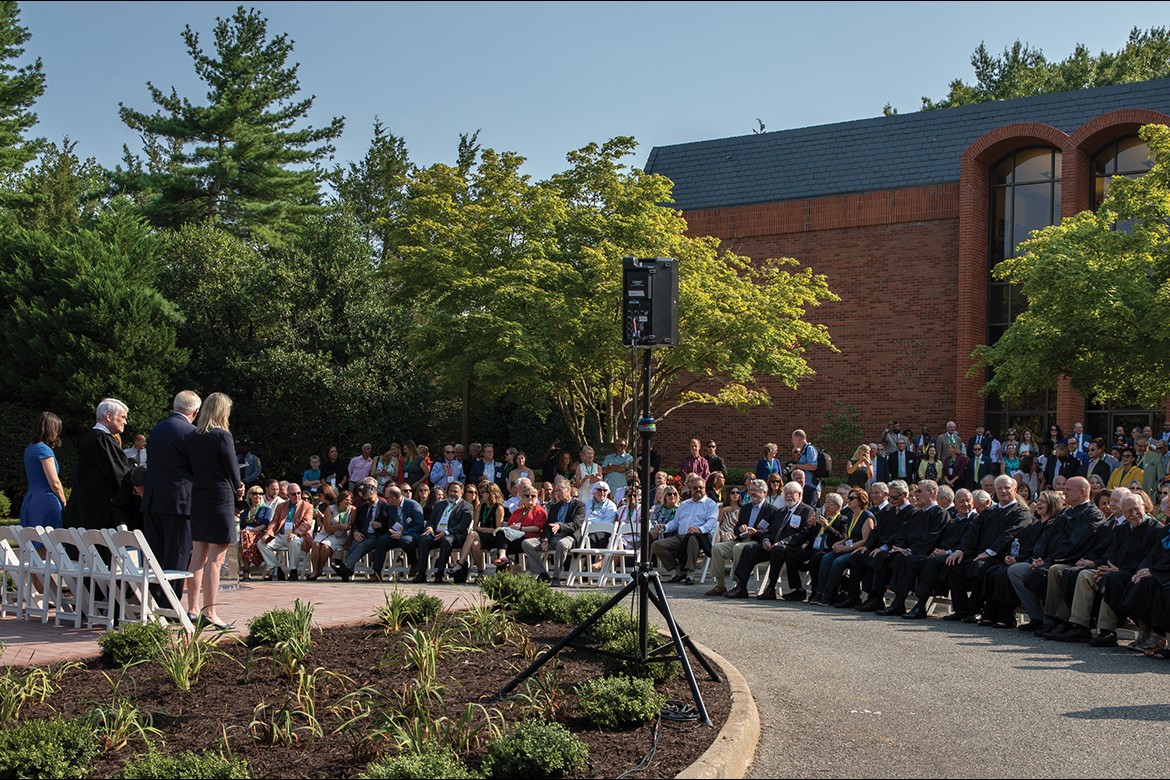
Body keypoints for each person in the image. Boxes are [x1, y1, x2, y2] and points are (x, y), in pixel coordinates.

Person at [186, 392, 243, 630]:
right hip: (220, 497)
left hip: (198, 496)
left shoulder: (192, 436)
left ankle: (191, 608)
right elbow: (232, 468)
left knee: (197, 555)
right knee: (216, 560)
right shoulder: (222, 435)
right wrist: (239, 488)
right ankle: (210, 612)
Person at [140, 391, 201, 599]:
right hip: (180, 501)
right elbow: (196, 468)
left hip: (153, 498)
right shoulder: (191, 433)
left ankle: (154, 599)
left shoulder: (157, 430)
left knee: (155, 553)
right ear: (195, 411)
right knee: (178, 554)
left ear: (174, 407)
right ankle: (169, 603)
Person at [68, 397, 133, 532]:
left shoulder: (91, 437)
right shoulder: (102, 439)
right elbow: (120, 475)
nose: (125, 422)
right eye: (123, 417)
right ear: (108, 416)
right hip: (102, 511)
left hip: (88, 508)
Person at [705, 479, 776, 596]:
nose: (751, 493)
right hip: (743, 539)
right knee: (717, 548)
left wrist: (756, 532)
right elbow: (736, 528)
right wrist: (741, 529)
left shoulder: (771, 510)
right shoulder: (746, 508)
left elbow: (772, 531)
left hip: (757, 542)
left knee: (738, 548)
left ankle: (739, 585)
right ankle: (720, 585)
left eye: (755, 490)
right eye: (750, 490)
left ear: (764, 492)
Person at [649, 472, 720, 585]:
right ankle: (678, 570)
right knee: (656, 545)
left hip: (700, 537)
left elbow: (712, 522)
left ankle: (690, 573)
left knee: (692, 538)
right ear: (690, 489)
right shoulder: (684, 504)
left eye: (700, 487)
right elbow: (676, 522)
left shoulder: (710, 504)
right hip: (681, 537)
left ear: (705, 488)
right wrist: (665, 527)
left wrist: (699, 529)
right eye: (695, 488)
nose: (698, 490)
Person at [524, 478, 585, 585]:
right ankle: (542, 573)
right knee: (527, 543)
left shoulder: (579, 506)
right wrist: (546, 539)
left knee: (562, 544)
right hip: (552, 536)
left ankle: (556, 577)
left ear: (568, 490)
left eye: (559, 491)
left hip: (568, 536)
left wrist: (560, 526)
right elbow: (548, 525)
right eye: (556, 491)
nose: (557, 494)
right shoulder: (554, 506)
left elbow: (575, 525)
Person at [415, 481, 473, 583]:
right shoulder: (440, 504)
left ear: (462, 492)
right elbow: (431, 520)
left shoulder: (466, 506)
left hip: (454, 536)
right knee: (424, 539)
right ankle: (421, 573)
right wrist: (430, 528)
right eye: (450, 490)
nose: (452, 493)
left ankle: (440, 573)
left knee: (446, 540)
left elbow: (462, 526)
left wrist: (446, 532)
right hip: (436, 533)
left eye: (455, 491)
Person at [21, 412, 67, 529]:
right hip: (46, 500)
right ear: (51, 430)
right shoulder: (44, 450)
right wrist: (63, 501)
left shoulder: (30, 448)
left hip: (31, 499)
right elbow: (54, 482)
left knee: (33, 542)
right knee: (51, 542)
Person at [259, 483, 314, 581]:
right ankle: (277, 570)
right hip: (281, 535)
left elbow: (307, 523)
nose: (297, 496)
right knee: (261, 543)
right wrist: (268, 533)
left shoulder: (307, 506)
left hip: (298, 535)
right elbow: (274, 522)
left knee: (294, 541)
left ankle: (293, 571)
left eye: (299, 493)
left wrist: (296, 533)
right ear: (288, 495)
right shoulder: (281, 506)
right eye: (293, 494)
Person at [307, 484, 345, 580]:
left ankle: (319, 570)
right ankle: (315, 570)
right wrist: (320, 518)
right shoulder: (321, 505)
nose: (319, 498)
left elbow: (338, 519)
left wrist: (324, 516)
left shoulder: (336, 504)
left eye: (320, 495)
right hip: (325, 530)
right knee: (315, 545)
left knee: (324, 547)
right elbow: (320, 523)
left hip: (336, 531)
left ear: (325, 493)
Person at [238, 485, 272, 579]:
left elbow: (264, 525)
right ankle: (245, 568)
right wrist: (245, 531)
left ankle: (246, 570)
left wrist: (250, 531)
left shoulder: (266, 509)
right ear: (249, 496)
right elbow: (241, 525)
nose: (258, 496)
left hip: (258, 533)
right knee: (243, 536)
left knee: (244, 537)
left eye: (260, 493)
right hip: (245, 534)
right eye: (255, 494)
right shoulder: (246, 510)